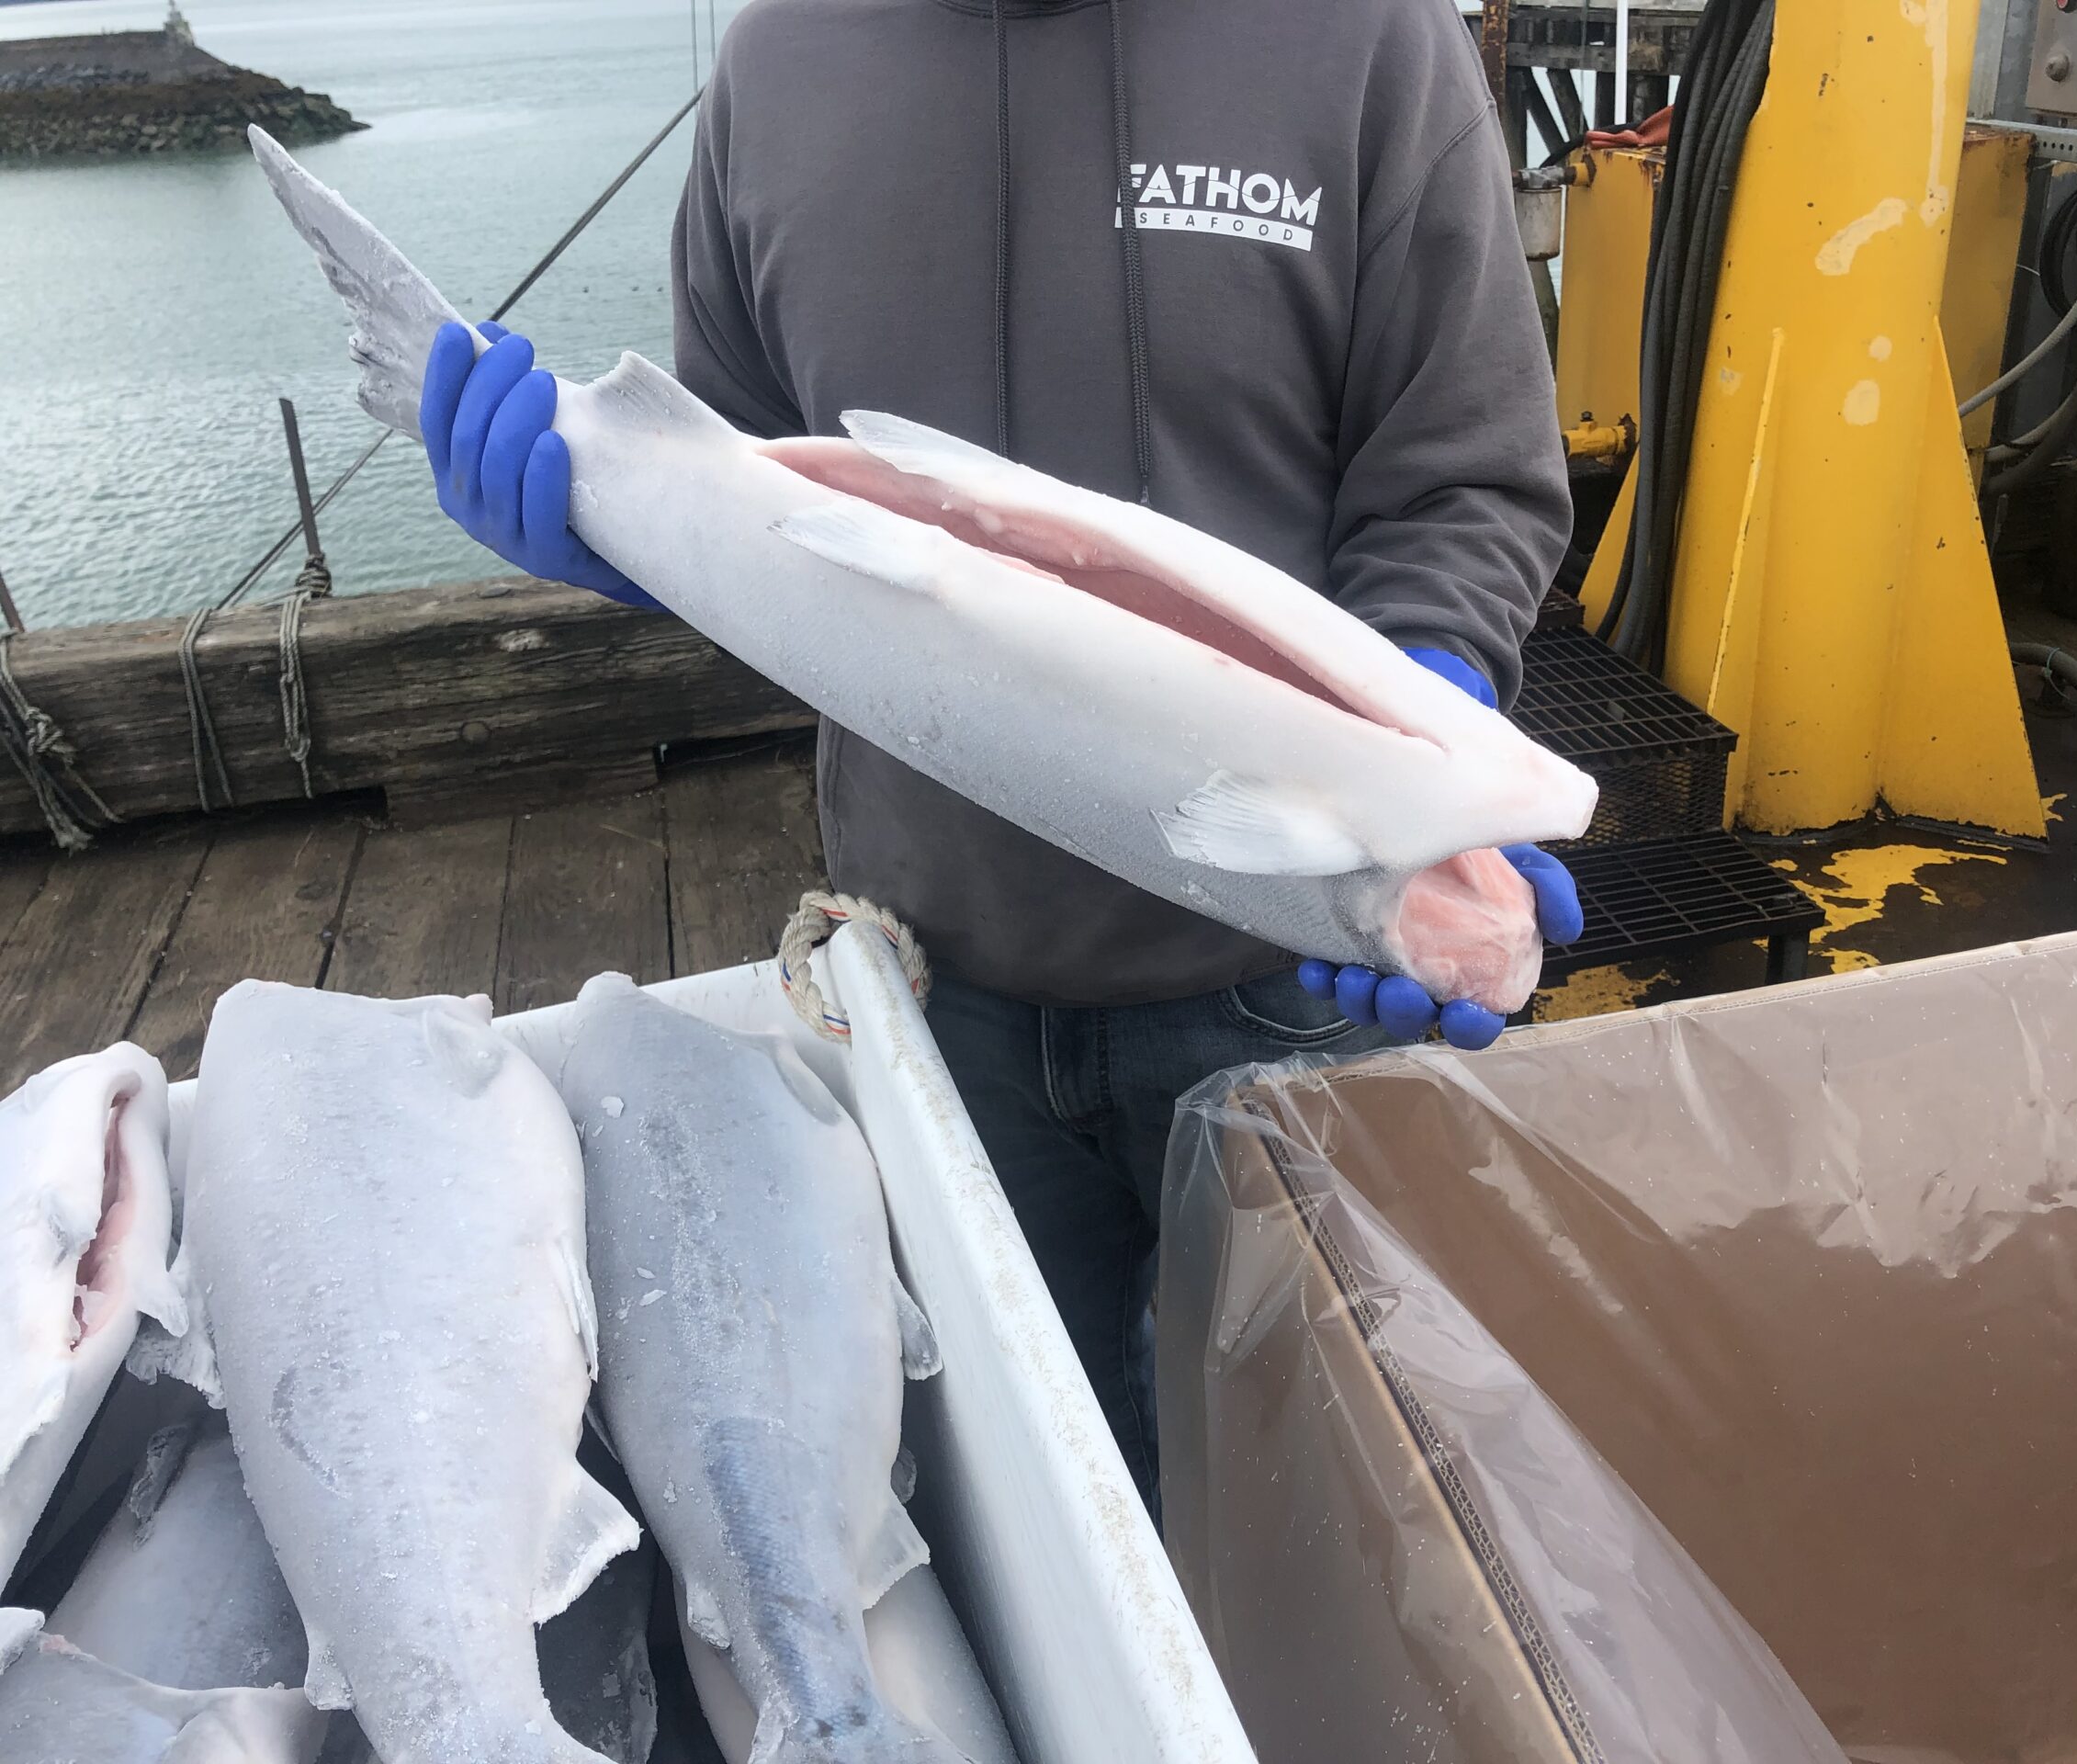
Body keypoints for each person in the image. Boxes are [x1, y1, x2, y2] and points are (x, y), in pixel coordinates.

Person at [418, 0, 1582, 1512]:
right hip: (923, 988)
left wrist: (1423, 716)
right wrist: (627, 533)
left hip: (1286, 978)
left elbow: (1463, 477)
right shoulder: (780, 59)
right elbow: (747, 470)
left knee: (1313, 1507)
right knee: (1031, 1505)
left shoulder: (1368, 37)